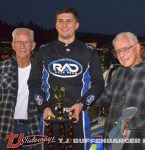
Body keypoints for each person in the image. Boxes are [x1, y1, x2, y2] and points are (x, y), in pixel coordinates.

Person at [28, 7, 104, 150]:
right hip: (49, 118)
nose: (64, 25)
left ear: (76, 25)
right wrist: (43, 107)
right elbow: (33, 82)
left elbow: (99, 83)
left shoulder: (89, 52)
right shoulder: (44, 51)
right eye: (60, 21)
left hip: (78, 118)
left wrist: (82, 104)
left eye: (69, 21)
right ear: (56, 25)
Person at [100, 32, 145, 150]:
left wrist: (128, 124)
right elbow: (104, 96)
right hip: (112, 142)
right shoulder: (120, 72)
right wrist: (81, 99)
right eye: (117, 51)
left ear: (137, 47)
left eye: (126, 49)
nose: (121, 55)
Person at [0, 28, 40, 149]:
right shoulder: (2, 69)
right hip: (5, 128)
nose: (22, 46)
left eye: (27, 42)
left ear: (33, 45)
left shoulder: (41, 71)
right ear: (13, 45)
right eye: (18, 42)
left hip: (33, 128)